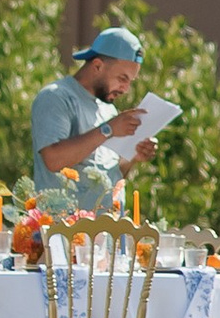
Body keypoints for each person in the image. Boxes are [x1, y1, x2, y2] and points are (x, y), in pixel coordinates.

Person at [29, 24, 155, 214]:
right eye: (122, 78)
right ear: (97, 65)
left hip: (106, 234)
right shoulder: (56, 97)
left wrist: (132, 157)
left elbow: (110, 176)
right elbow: (54, 160)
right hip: (65, 234)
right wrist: (108, 130)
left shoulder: (109, 110)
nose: (125, 89)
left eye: (130, 81)